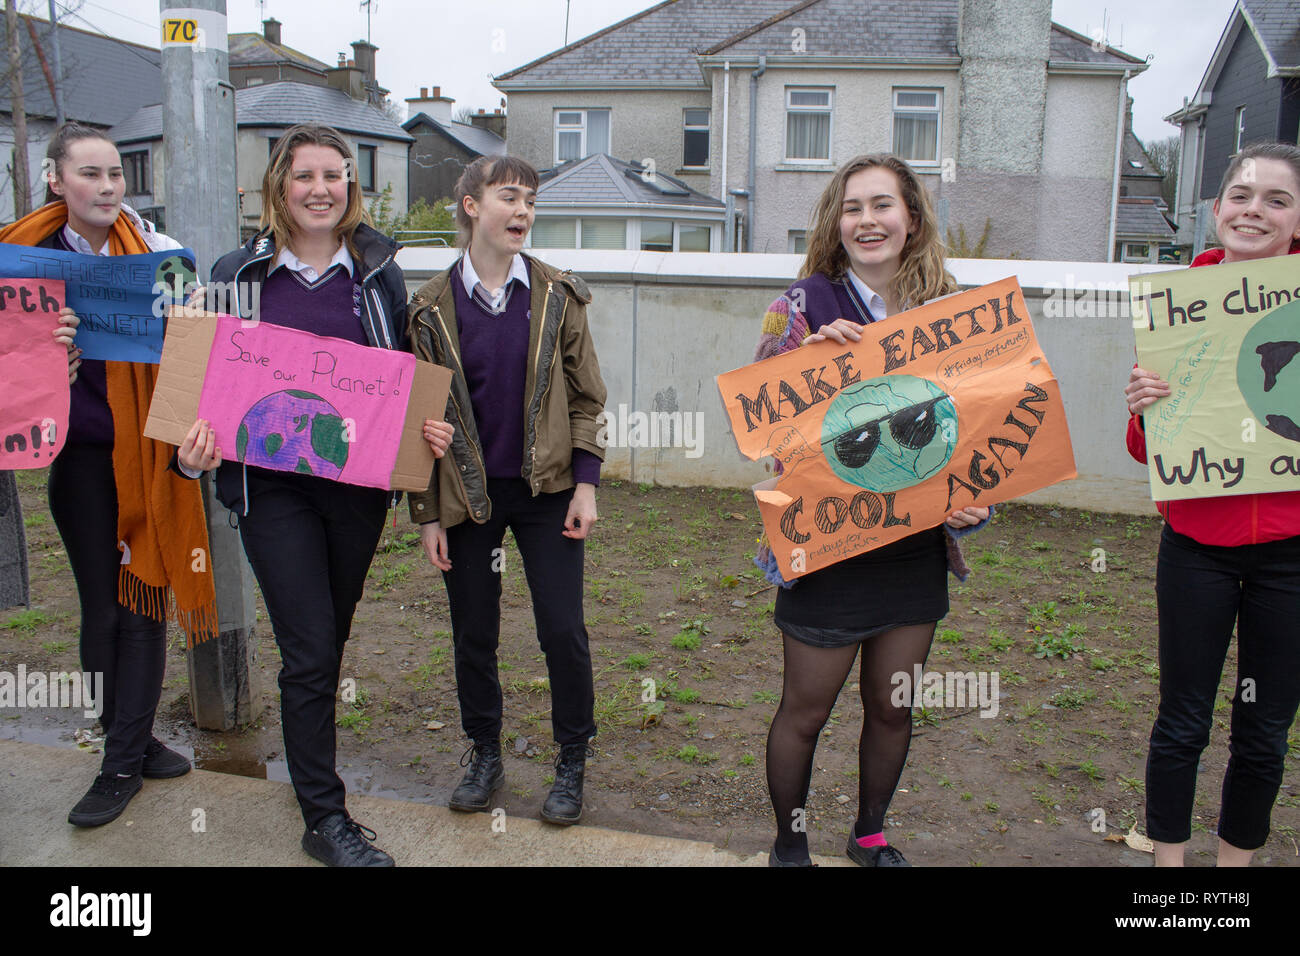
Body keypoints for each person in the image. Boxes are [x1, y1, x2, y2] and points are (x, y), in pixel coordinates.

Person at [177, 124, 452, 866]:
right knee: (306, 648)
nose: (321, 189)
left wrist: (422, 435)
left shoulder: (378, 272)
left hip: (353, 493)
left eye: (335, 176)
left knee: (325, 644)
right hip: (272, 493)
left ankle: (311, 781)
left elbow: (398, 378)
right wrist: (189, 449)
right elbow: (197, 384)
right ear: (280, 186)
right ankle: (324, 818)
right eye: (305, 176)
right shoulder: (236, 273)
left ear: (350, 188)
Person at [754, 154, 990, 867]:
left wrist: (976, 499)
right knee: (806, 710)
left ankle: (869, 834)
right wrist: (805, 368)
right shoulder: (802, 305)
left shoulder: (954, 309)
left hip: (912, 551)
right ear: (837, 222)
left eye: (882, 205)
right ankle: (789, 843)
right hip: (828, 544)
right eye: (853, 207)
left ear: (911, 218)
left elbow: (980, 425)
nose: (868, 220)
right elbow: (766, 433)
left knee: (892, 707)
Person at [0, 122, 214, 827]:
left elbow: (191, 356)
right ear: (56, 180)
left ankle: (127, 752)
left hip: (152, 456)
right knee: (103, 606)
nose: (107, 187)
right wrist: (42, 365)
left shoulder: (159, 255)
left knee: (143, 601)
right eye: (89, 174)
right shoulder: (17, 259)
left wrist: (192, 327)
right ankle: (122, 745)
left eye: (115, 174)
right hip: (82, 462)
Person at [407, 155, 607, 826]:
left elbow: (587, 399)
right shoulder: (430, 307)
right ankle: (484, 754)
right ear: (470, 205)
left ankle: (572, 759)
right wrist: (428, 514)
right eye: (509, 198)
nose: (522, 212)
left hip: (547, 491)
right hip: (467, 497)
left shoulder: (557, 296)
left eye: (530, 201)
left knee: (562, 630)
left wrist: (585, 484)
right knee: (474, 631)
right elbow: (417, 418)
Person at [1124, 141, 1300, 868]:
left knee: (1264, 731)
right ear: (1218, 207)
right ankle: (1170, 875)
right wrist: (1142, 410)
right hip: (1197, 546)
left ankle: (1234, 876)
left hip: (1292, 556)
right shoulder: (1178, 308)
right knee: (1183, 721)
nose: (1254, 210)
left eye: (1276, 199)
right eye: (1242, 195)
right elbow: (1147, 452)